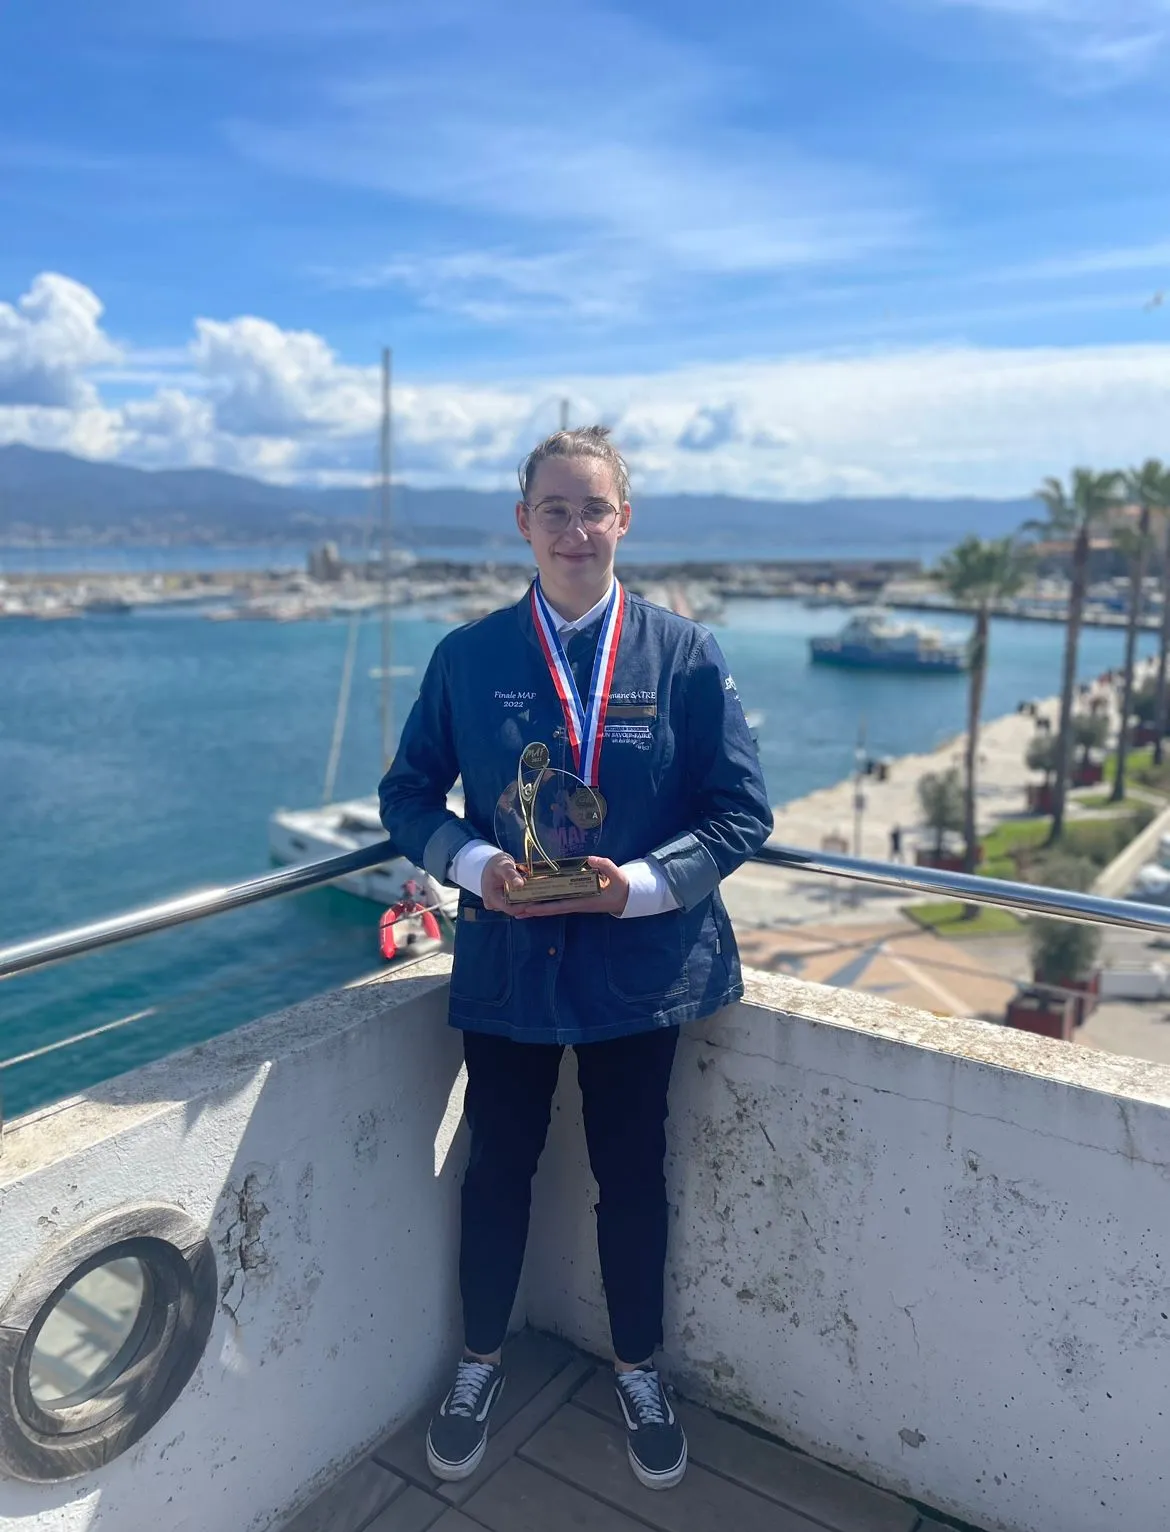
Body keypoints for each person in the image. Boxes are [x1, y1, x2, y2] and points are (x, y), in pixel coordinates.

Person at [379, 426, 772, 1493]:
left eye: (593, 508)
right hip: (509, 959)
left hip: (641, 970)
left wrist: (635, 885)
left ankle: (640, 1370)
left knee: (632, 1172)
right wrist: (467, 861)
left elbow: (742, 812)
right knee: (498, 1165)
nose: (574, 528)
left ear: (623, 520)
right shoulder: (468, 657)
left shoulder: (685, 655)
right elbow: (407, 794)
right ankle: (477, 1361)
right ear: (523, 523)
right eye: (553, 508)